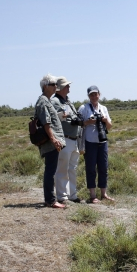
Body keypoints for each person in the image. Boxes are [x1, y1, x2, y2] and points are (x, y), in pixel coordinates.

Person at [78, 85, 115, 203]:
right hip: (89, 142)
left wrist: (104, 120)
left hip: (102, 141)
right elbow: (78, 124)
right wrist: (88, 122)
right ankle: (93, 195)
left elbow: (109, 126)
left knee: (103, 167)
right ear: (88, 96)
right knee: (90, 168)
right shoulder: (83, 108)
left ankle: (104, 193)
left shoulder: (103, 108)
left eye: (96, 94)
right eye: (91, 94)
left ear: (99, 94)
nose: (94, 96)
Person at [35, 74, 66, 208]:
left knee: (51, 170)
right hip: (50, 142)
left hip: (52, 141)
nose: (56, 87)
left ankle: (51, 199)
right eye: (53, 84)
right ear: (45, 86)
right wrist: (53, 139)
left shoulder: (46, 100)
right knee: (50, 171)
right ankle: (50, 200)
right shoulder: (43, 101)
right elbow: (46, 122)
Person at [51, 77, 83, 203]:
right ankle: (62, 196)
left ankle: (72, 195)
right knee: (62, 168)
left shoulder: (67, 101)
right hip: (64, 138)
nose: (69, 87)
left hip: (74, 139)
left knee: (72, 169)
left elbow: (71, 116)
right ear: (60, 88)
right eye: (66, 86)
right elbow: (56, 118)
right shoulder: (55, 101)